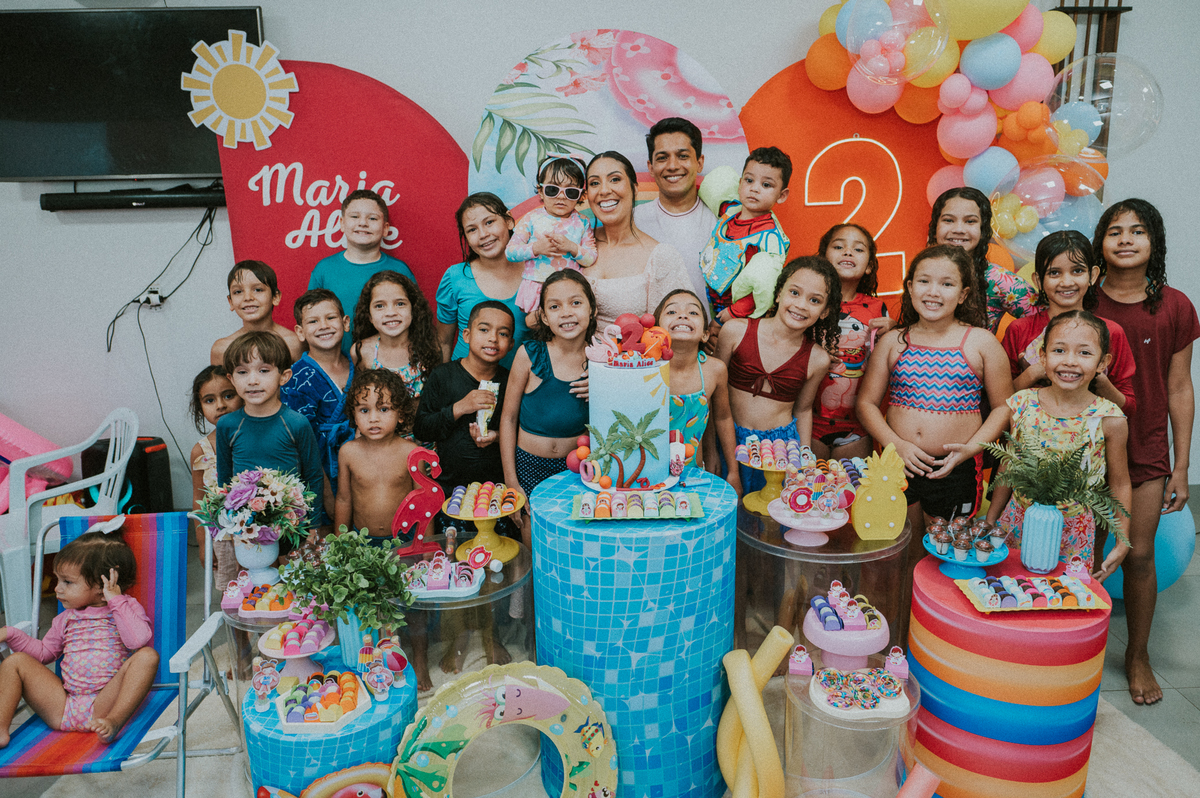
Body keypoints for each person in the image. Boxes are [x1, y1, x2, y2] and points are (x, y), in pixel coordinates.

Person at [1092, 198, 1199, 706]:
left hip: (1146, 448)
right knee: (1079, 555)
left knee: (1138, 554)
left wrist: (1182, 464)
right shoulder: (1083, 299)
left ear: (1154, 242)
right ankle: (1076, 647)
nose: (1126, 239)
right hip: (1080, 445)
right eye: (1115, 231)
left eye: (1138, 231)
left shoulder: (1175, 306)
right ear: (1101, 242)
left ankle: (1137, 654)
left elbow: (1179, 387)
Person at [857, 244, 1013, 534]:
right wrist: (895, 444)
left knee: (948, 547)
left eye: (947, 284)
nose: (933, 292)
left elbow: (1004, 407)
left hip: (956, 467)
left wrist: (971, 449)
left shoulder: (981, 342)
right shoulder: (893, 341)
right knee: (900, 541)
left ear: (963, 294)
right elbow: (866, 403)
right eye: (924, 281)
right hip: (899, 462)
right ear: (910, 287)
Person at [986, 310, 1132, 580]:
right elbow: (1009, 464)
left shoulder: (1108, 418)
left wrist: (1122, 541)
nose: (1070, 361)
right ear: (1043, 357)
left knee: (1063, 598)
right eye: (1059, 350)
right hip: (1017, 522)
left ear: (1103, 363)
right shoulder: (1022, 404)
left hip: (1074, 531)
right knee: (1010, 589)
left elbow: (1120, 483)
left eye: (1084, 353)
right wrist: (991, 518)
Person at [0, 531, 157, 747]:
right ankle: (0, 729)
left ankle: (114, 722)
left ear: (102, 585)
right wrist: (11, 634)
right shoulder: (66, 618)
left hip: (106, 702)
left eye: (67, 582)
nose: (57, 588)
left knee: (147, 656)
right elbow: (44, 654)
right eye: (58, 580)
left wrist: (115, 600)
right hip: (63, 706)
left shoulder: (125, 607)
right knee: (15, 662)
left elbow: (137, 641)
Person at [717, 256, 840, 493]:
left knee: (771, 514)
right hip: (728, 441)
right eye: (794, 293)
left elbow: (803, 410)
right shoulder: (734, 332)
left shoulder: (817, 359)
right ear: (778, 293)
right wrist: (711, 452)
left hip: (781, 451)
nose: (801, 305)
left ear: (825, 311)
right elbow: (712, 396)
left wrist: (803, 462)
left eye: (814, 300)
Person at [499, 270, 594, 529]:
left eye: (576, 302)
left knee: (571, 539)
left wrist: (604, 385)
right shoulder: (529, 355)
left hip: (579, 470)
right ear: (543, 316)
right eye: (555, 306)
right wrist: (511, 481)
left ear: (592, 309)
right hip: (529, 467)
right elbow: (508, 418)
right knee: (533, 541)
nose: (566, 313)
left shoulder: (601, 359)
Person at [1001, 231, 1135, 412]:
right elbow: (999, 403)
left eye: (1077, 271)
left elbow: (1128, 408)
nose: (1066, 282)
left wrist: (1101, 382)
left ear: (1092, 276)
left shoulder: (1111, 332)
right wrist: (1032, 373)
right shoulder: (1019, 330)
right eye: (1054, 273)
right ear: (1038, 281)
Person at [216, 331, 326, 531]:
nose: (252, 380)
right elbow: (224, 481)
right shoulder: (227, 425)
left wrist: (313, 528)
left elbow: (314, 477)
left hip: (291, 529)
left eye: (264, 370)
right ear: (231, 379)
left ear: (284, 376)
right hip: (245, 529)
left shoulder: (297, 423)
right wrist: (225, 527)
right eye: (242, 372)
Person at [581, 151, 691, 328]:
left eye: (615, 179)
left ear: (635, 188)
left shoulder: (660, 257)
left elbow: (676, 328)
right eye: (594, 183)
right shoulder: (572, 245)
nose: (604, 190)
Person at [415, 301, 515, 493]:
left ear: (511, 344)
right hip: (448, 488)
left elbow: (521, 432)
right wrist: (459, 407)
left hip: (496, 490)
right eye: (484, 330)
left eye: (503, 334)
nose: (493, 338)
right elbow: (421, 429)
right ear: (467, 335)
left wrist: (496, 437)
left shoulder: (511, 381)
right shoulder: (443, 376)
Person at [812, 224, 892, 462]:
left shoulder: (878, 309)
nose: (847, 252)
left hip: (858, 428)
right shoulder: (809, 302)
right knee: (808, 485)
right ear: (823, 258)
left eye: (858, 249)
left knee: (854, 485)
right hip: (809, 423)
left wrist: (895, 332)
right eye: (838, 247)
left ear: (869, 266)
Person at [307, 189, 417, 353]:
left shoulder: (400, 270)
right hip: (335, 360)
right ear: (342, 223)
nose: (363, 223)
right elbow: (310, 319)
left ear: (385, 228)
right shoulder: (324, 269)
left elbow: (416, 319)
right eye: (355, 217)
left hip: (386, 361)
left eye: (372, 218)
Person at [654, 289, 739, 495]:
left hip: (693, 474)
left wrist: (733, 471)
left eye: (693, 313)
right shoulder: (645, 369)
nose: (682, 316)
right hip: (649, 474)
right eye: (672, 312)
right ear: (656, 330)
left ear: (705, 334)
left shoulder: (714, 370)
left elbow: (723, 418)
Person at [282, 289, 355, 525]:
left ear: (345, 323)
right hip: (320, 475)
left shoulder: (357, 365)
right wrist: (328, 498)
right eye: (313, 321)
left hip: (361, 470)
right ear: (300, 332)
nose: (323, 326)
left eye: (331, 318)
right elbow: (304, 448)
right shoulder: (295, 379)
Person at [700, 146, 792, 325]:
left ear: (781, 195)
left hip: (736, 314)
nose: (755, 189)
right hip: (709, 297)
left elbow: (765, 284)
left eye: (766, 185)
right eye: (749, 180)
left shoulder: (769, 238)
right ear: (740, 184)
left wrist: (734, 312)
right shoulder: (729, 211)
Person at [436, 193, 529, 366]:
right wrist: (443, 381)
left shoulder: (536, 273)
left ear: (509, 221)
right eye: (472, 230)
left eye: (489, 222)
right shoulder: (455, 277)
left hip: (521, 379)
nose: (483, 234)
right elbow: (444, 342)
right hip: (464, 379)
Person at [927, 187, 1035, 333]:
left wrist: (1010, 346)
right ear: (935, 227)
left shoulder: (997, 280)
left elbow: (1046, 322)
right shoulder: (921, 273)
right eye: (948, 220)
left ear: (983, 229)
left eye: (970, 221)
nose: (959, 229)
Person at [635, 117, 715, 299]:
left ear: (699, 162)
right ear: (651, 167)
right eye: (662, 158)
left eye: (683, 156)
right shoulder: (632, 221)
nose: (672, 166)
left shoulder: (723, 221)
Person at [334, 368, 418, 541]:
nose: (373, 418)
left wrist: (426, 544)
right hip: (362, 543)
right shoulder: (348, 452)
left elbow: (423, 501)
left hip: (404, 540)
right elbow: (343, 499)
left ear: (401, 414)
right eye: (364, 410)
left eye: (384, 409)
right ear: (354, 416)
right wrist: (339, 542)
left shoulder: (411, 452)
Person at [506, 156, 597, 314]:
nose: (561, 196)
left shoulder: (583, 222)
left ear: (581, 195)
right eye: (552, 189)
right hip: (537, 287)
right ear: (541, 191)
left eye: (570, 192)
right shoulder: (531, 219)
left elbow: (591, 258)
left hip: (570, 290)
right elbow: (510, 252)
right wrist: (535, 248)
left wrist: (572, 247)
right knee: (536, 325)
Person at [349, 270, 441, 401]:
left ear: (413, 309)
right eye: (379, 306)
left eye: (400, 304)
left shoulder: (429, 347)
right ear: (369, 315)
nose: (391, 312)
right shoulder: (362, 351)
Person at [188, 365, 243, 567]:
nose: (220, 405)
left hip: (259, 534)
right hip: (223, 538)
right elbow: (199, 500)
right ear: (200, 407)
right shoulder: (201, 451)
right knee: (230, 584)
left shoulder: (256, 439)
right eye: (209, 400)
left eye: (228, 396)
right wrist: (203, 544)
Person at [211, 260, 303, 366]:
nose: (248, 297)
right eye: (238, 292)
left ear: (275, 297)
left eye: (258, 290)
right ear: (230, 301)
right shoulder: (222, 349)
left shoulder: (294, 344)